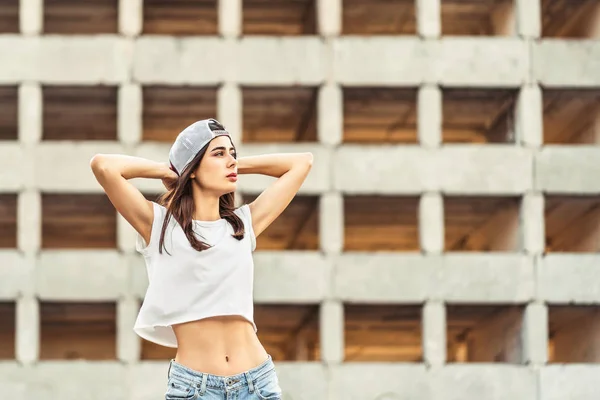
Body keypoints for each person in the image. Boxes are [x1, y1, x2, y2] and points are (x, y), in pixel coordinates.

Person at [90, 118, 313, 400]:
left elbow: (302, 163)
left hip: (257, 383)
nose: (231, 161)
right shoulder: (158, 225)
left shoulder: (242, 225)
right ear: (192, 167)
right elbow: (103, 166)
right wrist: (172, 169)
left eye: (232, 153)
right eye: (218, 153)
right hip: (195, 389)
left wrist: (232, 164)